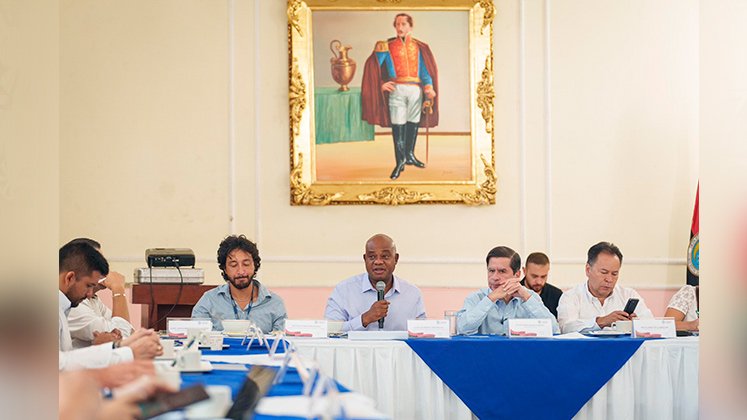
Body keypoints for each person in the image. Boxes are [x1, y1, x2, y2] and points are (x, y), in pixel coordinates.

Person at [59, 241, 162, 370]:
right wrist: (118, 289)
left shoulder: (72, 303)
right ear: (69, 278)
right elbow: (60, 365)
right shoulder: (73, 305)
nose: (90, 294)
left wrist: (112, 346)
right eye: (88, 286)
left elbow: (124, 331)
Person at [361, 13, 439, 180]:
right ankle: (400, 161)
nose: (400, 27)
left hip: (415, 91)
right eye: (397, 24)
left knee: (413, 123)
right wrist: (380, 84)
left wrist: (429, 87)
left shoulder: (419, 47)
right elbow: (373, 68)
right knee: (398, 124)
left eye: (404, 24)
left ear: (410, 26)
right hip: (396, 90)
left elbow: (425, 71)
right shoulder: (385, 46)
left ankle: (410, 155)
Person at [325, 234, 426, 331]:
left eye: (385, 256)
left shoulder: (412, 293)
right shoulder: (344, 290)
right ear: (365, 259)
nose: (378, 262)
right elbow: (330, 330)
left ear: (396, 259)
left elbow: (422, 333)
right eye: (372, 257)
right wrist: (364, 319)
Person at [192, 235, 287, 333]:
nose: (241, 271)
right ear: (224, 269)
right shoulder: (209, 301)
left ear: (255, 265)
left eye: (246, 264)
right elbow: (197, 338)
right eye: (233, 265)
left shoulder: (274, 303)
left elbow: (281, 343)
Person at [456, 246, 559, 335]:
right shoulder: (476, 298)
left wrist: (526, 297)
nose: (495, 277)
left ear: (517, 275)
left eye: (502, 271)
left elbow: (554, 330)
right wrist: (491, 298)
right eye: (491, 271)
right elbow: (462, 329)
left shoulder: (529, 297)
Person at [557, 241, 654, 333]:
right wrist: (601, 321)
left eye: (614, 274)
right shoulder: (571, 297)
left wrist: (636, 324)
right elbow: (566, 328)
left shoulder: (628, 294)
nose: (609, 279)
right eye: (604, 272)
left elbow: (651, 326)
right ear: (588, 270)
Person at [65, 238, 135, 348]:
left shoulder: (92, 299)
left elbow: (128, 331)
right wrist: (118, 289)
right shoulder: (73, 304)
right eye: (97, 264)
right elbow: (123, 334)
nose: (104, 271)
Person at [520, 252, 563, 317]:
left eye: (543, 276)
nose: (539, 282)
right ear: (524, 271)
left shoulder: (556, 295)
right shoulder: (513, 293)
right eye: (534, 276)